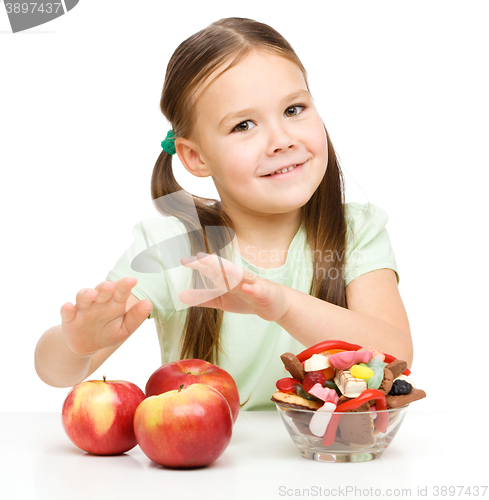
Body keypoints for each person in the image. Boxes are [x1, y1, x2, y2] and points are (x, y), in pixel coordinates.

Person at [35, 17, 412, 411]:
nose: (282, 140)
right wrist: (75, 344)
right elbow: (54, 372)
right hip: (203, 468)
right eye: (244, 125)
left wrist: (281, 305)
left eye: (294, 109)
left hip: (324, 459)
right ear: (196, 157)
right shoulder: (170, 247)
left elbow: (395, 355)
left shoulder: (356, 231)